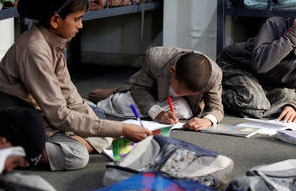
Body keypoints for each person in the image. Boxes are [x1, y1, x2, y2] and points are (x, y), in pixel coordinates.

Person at [0, 0, 152, 171]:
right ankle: (22, 151)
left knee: (93, 112)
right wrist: (120, 129)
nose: (81, 25)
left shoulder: (55, 43)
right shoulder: (35, 49)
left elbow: (72, 98)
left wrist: (109, 130)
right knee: (77, 155)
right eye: (77, 19)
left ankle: (80, 139)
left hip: (37, 110)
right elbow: (59, 116)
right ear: (55, 20)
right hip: (10, 116)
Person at [88, 46, 224, 131]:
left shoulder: (214, 75)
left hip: (181, 105)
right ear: (172, 71)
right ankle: (116, 93)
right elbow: (140, 88)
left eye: (188, 93)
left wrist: (207, 121)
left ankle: (123, 91)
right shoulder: (157, 58)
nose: (181, 94)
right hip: (152, 89)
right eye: (179, 90)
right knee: (122, 104)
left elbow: (217, 108)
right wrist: (157, 113)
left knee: (185, 113)